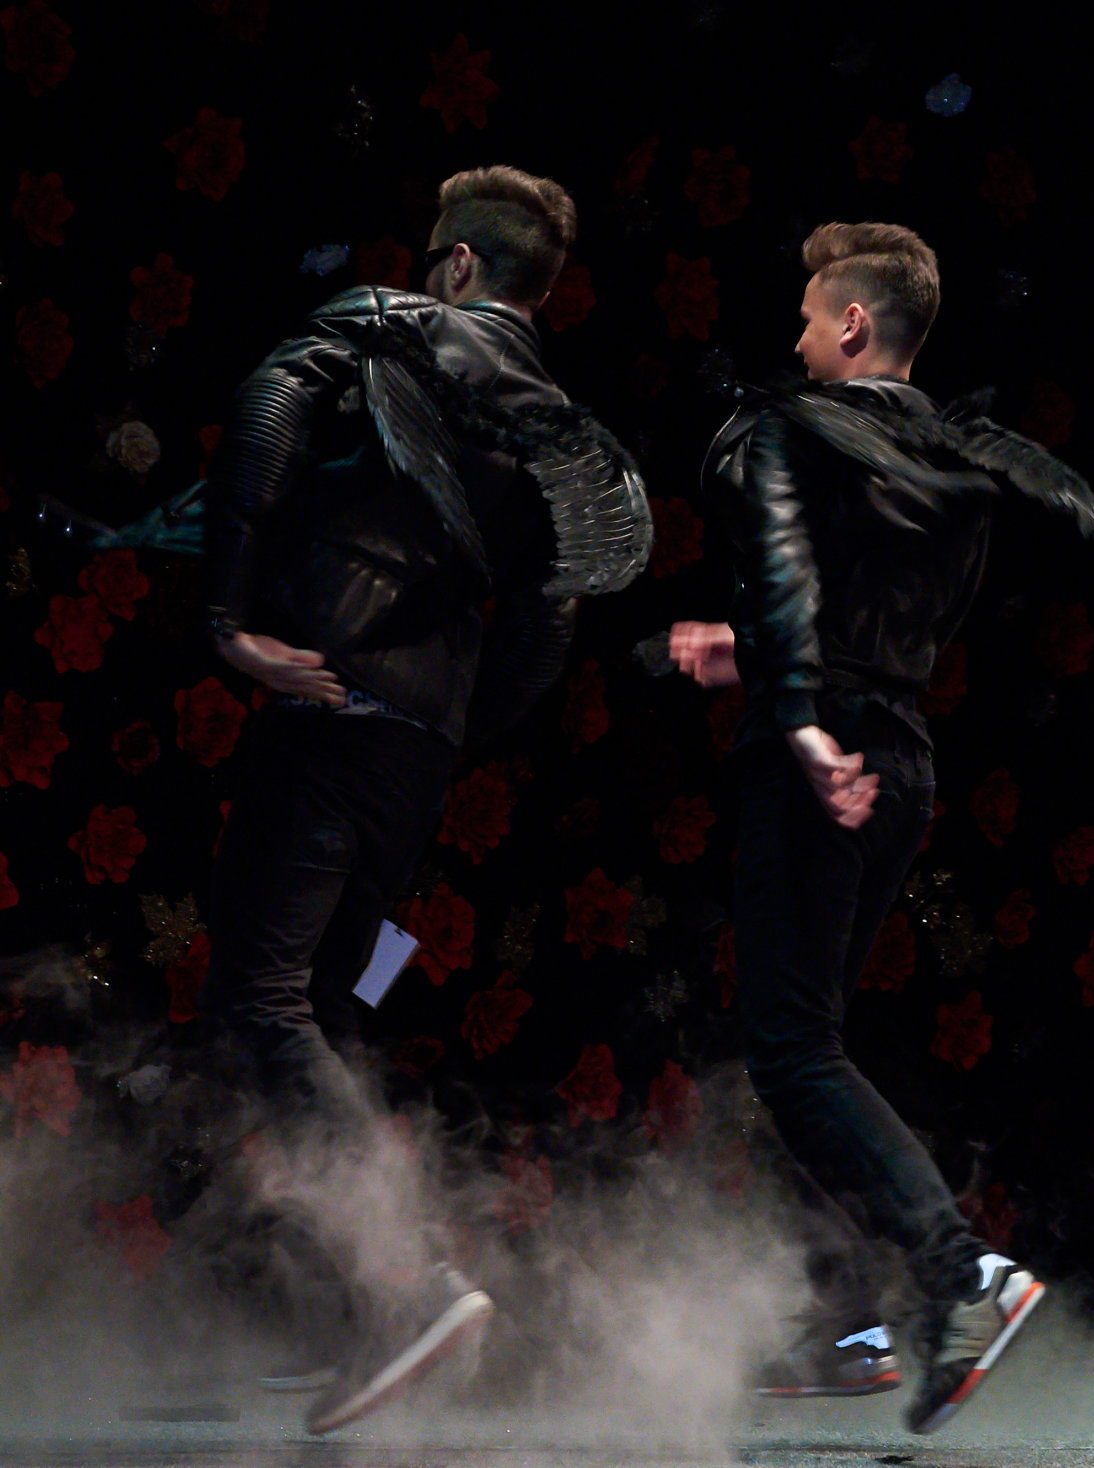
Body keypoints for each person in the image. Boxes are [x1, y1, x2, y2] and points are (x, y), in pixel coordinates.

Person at [199, 166, 649, 1434]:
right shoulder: (555, 424)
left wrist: (228, 621)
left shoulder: (390, 325)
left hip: (329, 712)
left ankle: (409, 1285)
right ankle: (366, 1316)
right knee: (335, 1007)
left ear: (454, 265)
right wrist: (454, 722)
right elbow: (552, 615)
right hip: (416, 757)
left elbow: (268, 409)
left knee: (263, 1001)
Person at [668, 223, 1094, 1435]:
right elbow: (886, 604)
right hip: (902, 750)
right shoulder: (955, 458)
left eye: (812, 318)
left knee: (795, 1054)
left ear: (853, 324)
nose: (799, 338)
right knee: (804, 1051)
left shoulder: (799, 431)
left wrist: (799, 716)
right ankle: (849, 1329)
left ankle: (963, 1274)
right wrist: (760, 656)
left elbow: (788, 571)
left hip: (830, 756)